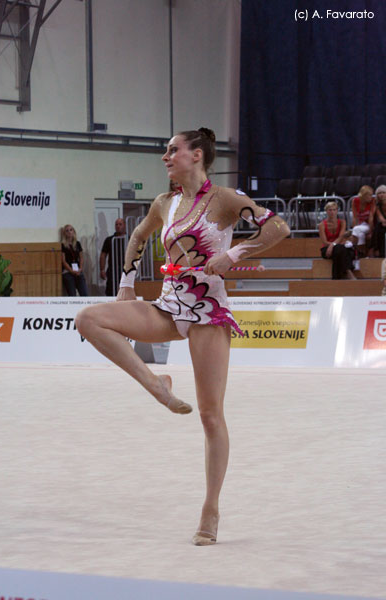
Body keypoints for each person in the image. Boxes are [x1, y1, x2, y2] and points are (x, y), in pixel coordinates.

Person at [75, 127, 290, 546]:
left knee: (211, 415)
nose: (165, 157)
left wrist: (234, 253)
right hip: (168, 306)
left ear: (197, 155)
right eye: (165, 150)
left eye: (172, 150)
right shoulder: (164, 203)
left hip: (208, 312)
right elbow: (138, 236)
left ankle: (210, 509)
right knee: (89, 318)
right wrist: (127, 280)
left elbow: (278, 227)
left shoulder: (225, 200)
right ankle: (155, 382)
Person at [318, 201, 356, 279]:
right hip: (327, 248)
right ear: (326, 211)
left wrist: (333, 245)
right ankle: (348, 272)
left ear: (337, 211)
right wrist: (332, 246)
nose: (332, 212)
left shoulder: (342, 222)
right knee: (341, 249)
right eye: (330, 210)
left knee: (340, 250)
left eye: (334, 210)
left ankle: (336, 277)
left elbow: (341, 237)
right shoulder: (322, 225)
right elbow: (324, 242)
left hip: (336, 247)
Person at [100, 218, 127, 296]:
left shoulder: (129, 239)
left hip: (126, 270)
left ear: (124, 225)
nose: (118, 226)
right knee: (111, 291)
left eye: (120, 224)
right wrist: (102, 269)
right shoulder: (109, 240)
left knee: (125, 291)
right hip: (112, 270)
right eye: (116, 224)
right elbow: (103, 255)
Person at [61, 224, 88, 296]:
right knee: (72, 295)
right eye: (67, 231)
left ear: (73, 231)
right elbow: (63, 261)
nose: (69, 232)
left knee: (84, 294)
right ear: (64, 234)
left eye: (71, 230)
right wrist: (71, 271)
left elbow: (81, 258)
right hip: (68, 271)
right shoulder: (63, 245)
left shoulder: (77, 243)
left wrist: (80, 269)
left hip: (78, 270)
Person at [351, 185, 376, 257]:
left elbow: (371, 217)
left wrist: (371, 232)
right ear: (364, 195)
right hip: (361, 225)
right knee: (360, 235)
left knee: (356, 229)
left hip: (370, 225)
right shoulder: (355, 201)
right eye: (369, 195)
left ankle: (352, 248)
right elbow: (355, 217)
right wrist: (354, 230)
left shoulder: (373, 201)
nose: (371, 197)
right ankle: (362, 254)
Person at [370, 185, 386, 257]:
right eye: (379, 193)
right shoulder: (377, 205)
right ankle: (378, 252)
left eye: (383, 192)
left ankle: (375, 249)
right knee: (379, 228)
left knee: (379, 228)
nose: (382, 194)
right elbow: (381, 218)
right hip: (383, 224)